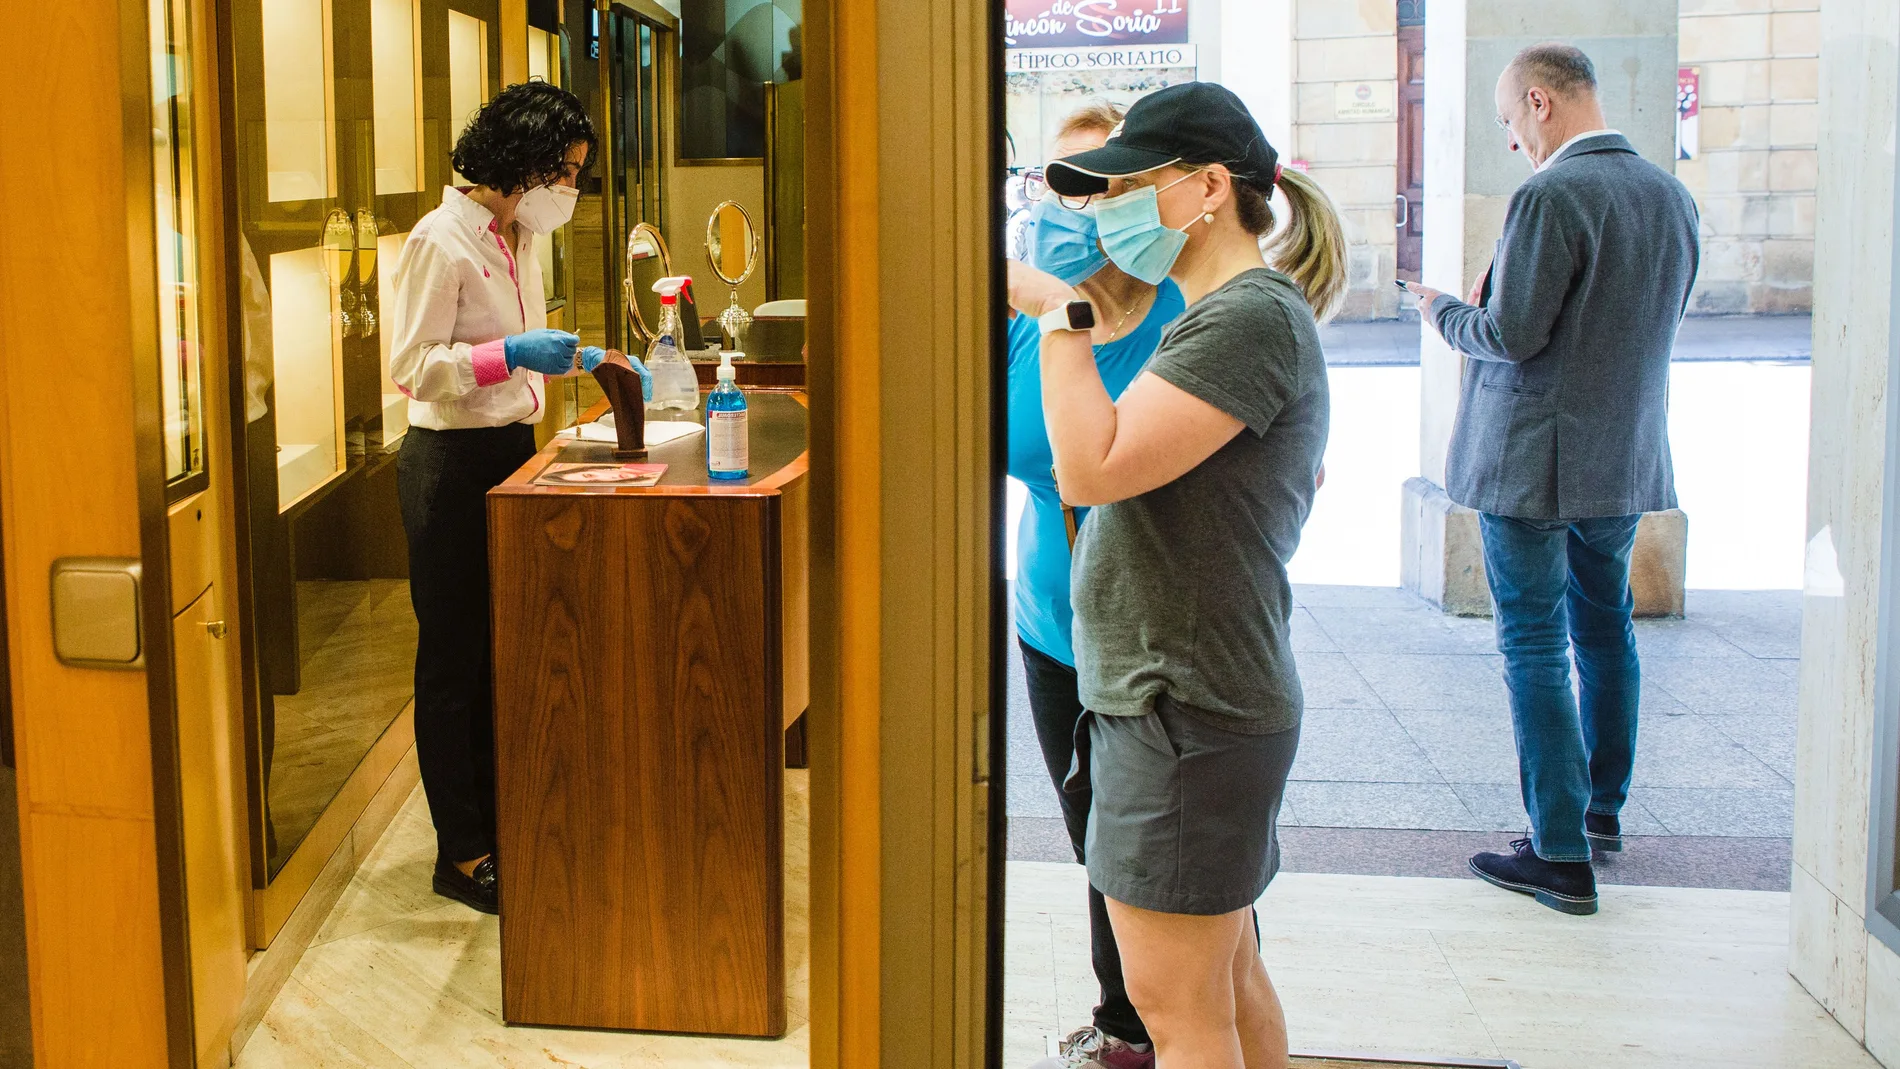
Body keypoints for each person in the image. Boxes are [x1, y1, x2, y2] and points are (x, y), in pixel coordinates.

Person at [1008, 81, 1346, 1068]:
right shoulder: (1227, 314)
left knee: (1178, 1008)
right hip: (1184, 698)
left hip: (1184, 703)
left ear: (1206, 189)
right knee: (1223, 986)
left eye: (1128, 186)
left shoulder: (1247, 319)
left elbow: (1090, 465)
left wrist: (1059, 312)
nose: (1108, 210)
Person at [1401, 43, 1700, 916]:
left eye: (1507, 121)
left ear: (1540, 102)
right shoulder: (1669, 195)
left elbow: (1512, 332)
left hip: (1532, 464)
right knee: (1606, 632)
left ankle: (1559, 850)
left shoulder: (1551, 194)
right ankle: (1601, 813)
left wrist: (1439, 310)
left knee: (1532, 642)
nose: (1510, 142)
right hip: (1624, 459)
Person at [389, 81, 647, 914]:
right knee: (454, 661)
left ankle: (500, 822)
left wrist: (587, 356)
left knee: (502, 650)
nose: (569, 190)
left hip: (505, 449)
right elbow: (413, 366)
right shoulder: (443, 239)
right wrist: (510, 353)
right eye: (564, 172)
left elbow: (520, 350)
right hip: (446, 463)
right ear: (521, 161)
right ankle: (460, 852)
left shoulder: (516, 237)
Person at [1009, 100, 1186, 1069]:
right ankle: (1122, 1024)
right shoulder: (1025, 326)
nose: (1060, 204)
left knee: (1166, 868)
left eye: (1088, 185)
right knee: (1096, 846)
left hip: (1153, 636)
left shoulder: (1183, 321)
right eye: (1049, 182)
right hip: (1048, 624)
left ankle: (1186, 1023)